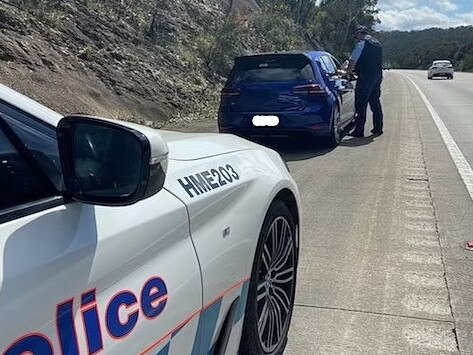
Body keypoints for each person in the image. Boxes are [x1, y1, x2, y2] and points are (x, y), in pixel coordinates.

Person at [346, 25, 384, 137]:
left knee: (361, 103)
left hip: (366, 76)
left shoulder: (361, 44)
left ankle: (359, 130)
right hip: (377, 75)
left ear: (359, 34)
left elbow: (352, 61)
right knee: (375, 102)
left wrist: (348, 71)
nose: (356, 38)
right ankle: (378, 128)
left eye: (356, 36)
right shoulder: (376, 43)